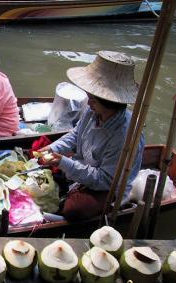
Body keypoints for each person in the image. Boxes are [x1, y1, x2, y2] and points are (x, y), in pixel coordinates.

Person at [39, 51, 145, 222]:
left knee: (74, 210)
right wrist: (53, 148)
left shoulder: (124, 136)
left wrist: (64, 163)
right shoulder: (93, 110)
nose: (88, 104)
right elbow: (76, 135)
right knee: (45, 169)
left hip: (108, 187)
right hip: (85, 167)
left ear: (110, 103)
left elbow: (105, 180)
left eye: (93, 100)